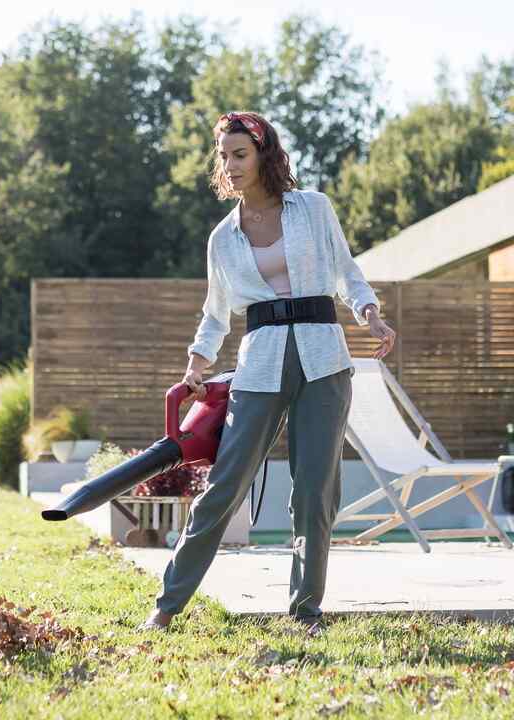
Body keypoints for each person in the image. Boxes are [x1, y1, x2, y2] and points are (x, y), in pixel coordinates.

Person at [138, 111, 396, 635]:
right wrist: (196, 365)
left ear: (263, 155)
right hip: (258, 365)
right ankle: (167, 606)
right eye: (224, 157)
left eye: (240, 155)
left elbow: (346, 270)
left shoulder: (314, 209)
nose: (230, 166)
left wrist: (369, 312)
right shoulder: (223, 238)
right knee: (225, 482)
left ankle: (306, 611)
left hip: (325, 359)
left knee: (314, 488)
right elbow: (216, 313)